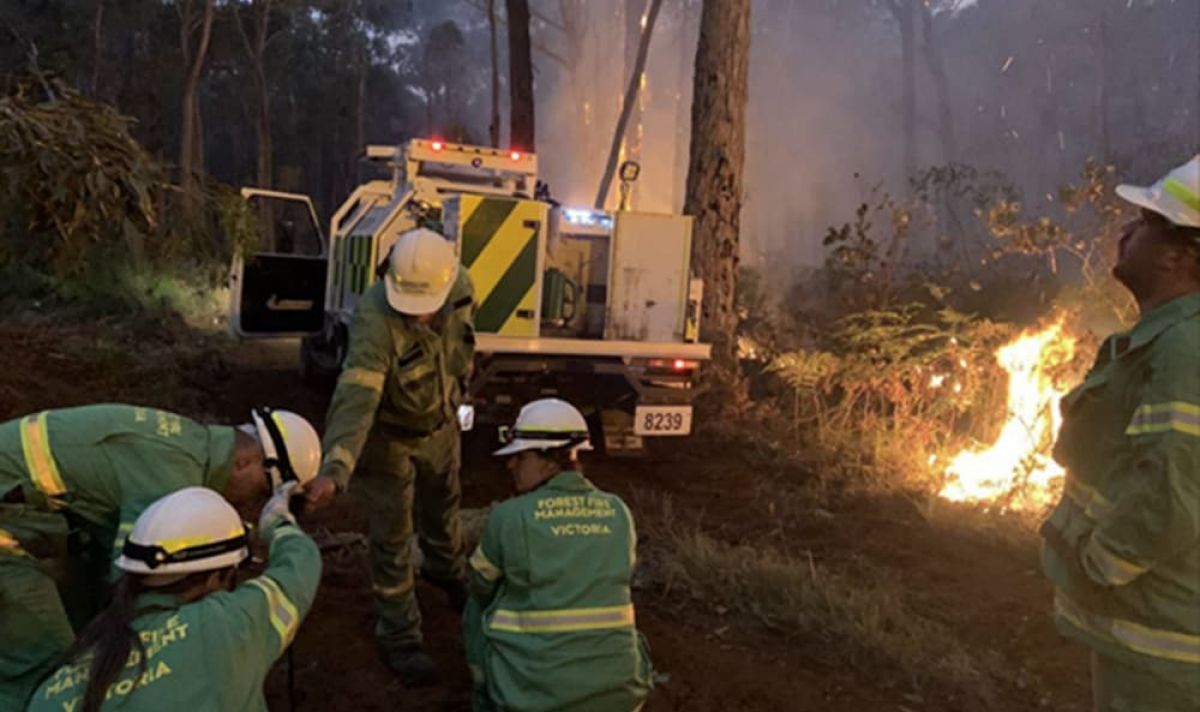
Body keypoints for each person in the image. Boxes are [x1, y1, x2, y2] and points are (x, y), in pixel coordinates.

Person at [0, 404, 320, 708]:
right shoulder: (169, 478)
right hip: (11, 519)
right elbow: (127, 581)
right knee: (40, 662)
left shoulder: (185, 449)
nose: (253, 501)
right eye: (263, 492)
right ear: (245, 462)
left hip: (20, 508)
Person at [1041, 155, 1200, 712]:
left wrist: (1099, 565)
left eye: (1148, 221)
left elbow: (1172, 490)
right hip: (1151, 635)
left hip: (1165, 650)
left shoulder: (1185, 350)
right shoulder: (1170, 339)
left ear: (1181, 255)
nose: (1128, 229)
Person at [304, 227, 476, 683]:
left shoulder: (461, 288)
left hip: (440, 428)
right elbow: (356, 396)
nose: (419, 318)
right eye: (411, 311)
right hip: (388, 439)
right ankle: (400, 636)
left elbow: (461, 351)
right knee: (393, 538)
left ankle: (446, 571)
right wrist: (334, 469)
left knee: (444, 510)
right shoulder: (374, 317)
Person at [26, 484, 321, 712]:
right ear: (216, 577)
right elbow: (300, 567)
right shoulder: (224, 626)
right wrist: (278, 522)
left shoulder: (52, 689)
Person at [464, 398, 655, 712]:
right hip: (621, 697)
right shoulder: (619, 511)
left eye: (519, 456)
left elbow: (479, 587)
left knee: (477, 610)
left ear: (547, 460)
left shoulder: (511, 516)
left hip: (533, 700)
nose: (510, 465)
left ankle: (486, 695)